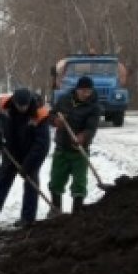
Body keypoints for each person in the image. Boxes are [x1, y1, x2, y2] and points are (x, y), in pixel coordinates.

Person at [0, 88, 51, 227]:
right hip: (11, 150)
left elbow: (42, 145)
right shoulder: (3, 104)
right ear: (14, 101)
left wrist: (28, 165)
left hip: (31, 152)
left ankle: (27, 219)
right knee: (1, 182)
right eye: (20, 106)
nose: (22, 109)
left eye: (25, 106)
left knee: (31, 184)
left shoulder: (40, 113)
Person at [49, 75, 102, 214]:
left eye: (88, 91)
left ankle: (76, 213)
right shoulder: (64, 100)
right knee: (56, 181)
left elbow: (92, 128)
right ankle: (55, 210)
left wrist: (83, 136)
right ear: (77, 89)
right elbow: (51, 114)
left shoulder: (94, 107)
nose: (86, 94)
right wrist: (55, 120)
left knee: (79, 184)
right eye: (83, 90)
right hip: (61, 148)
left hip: (79, 151)